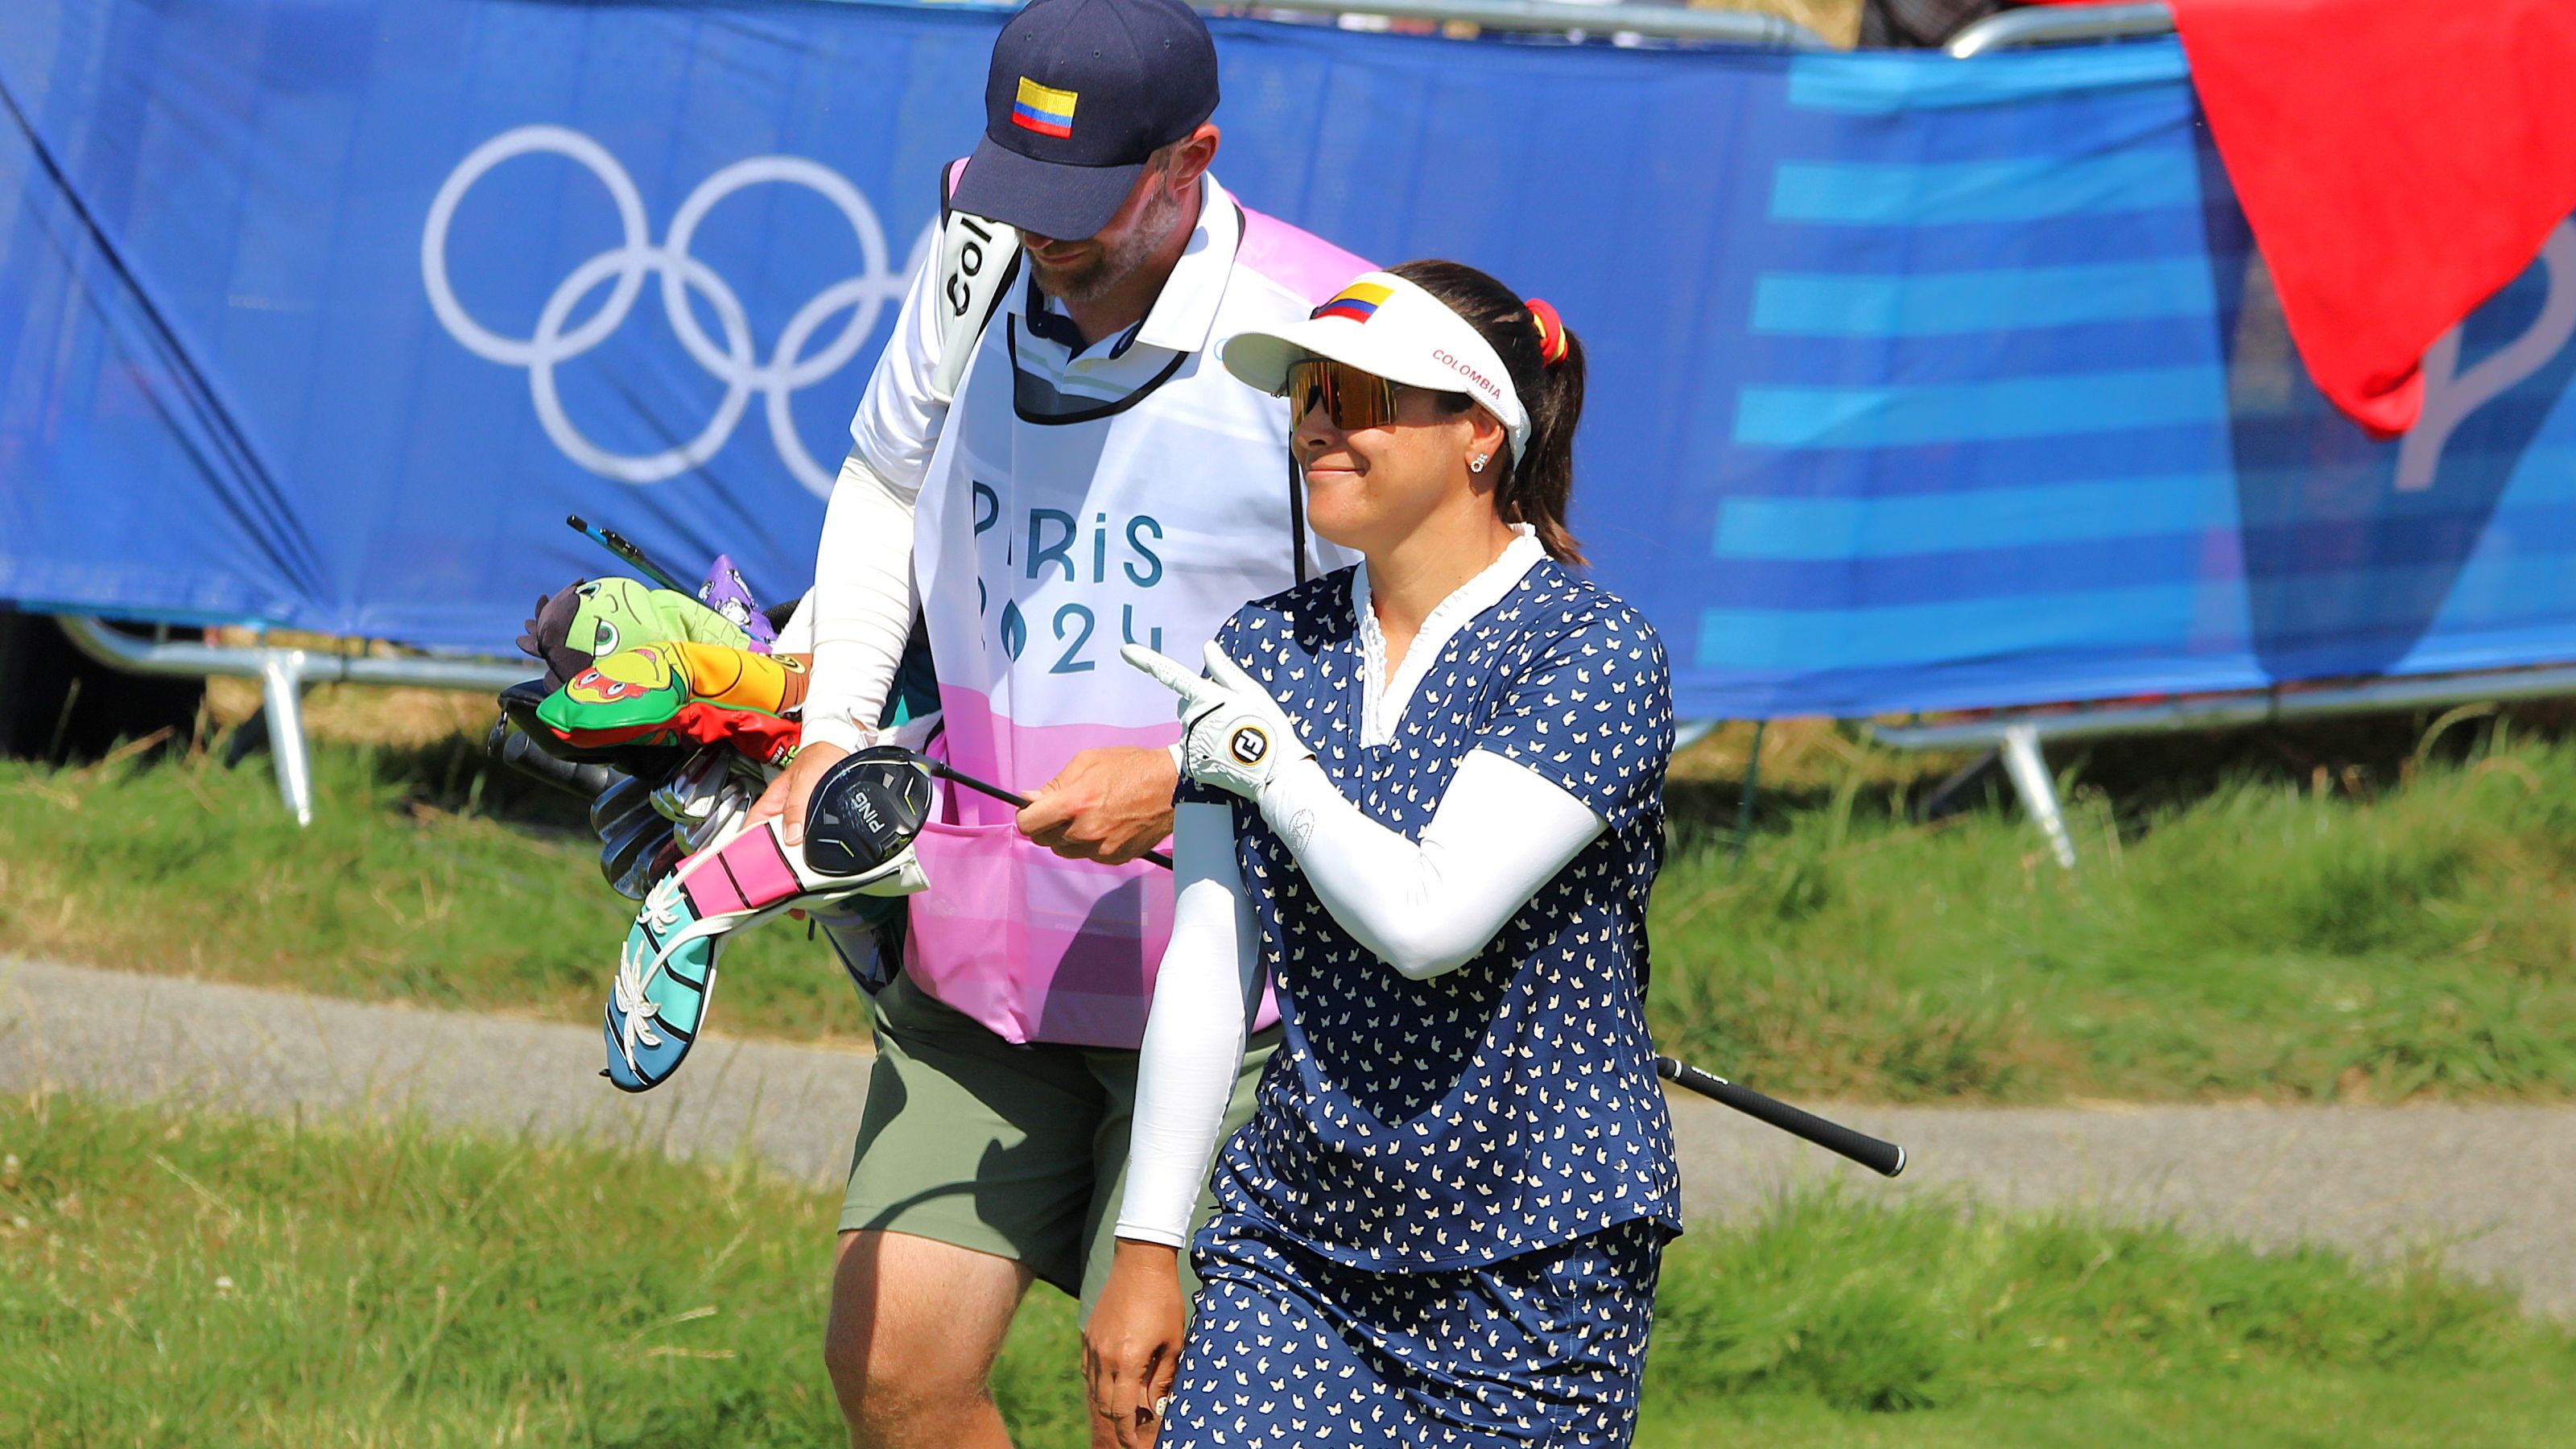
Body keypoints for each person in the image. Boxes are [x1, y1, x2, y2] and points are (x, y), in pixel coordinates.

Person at [744, 1, 1366, 1444]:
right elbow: (884, 478)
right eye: (1019, 197)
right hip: (984, 944)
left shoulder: (1321, 336)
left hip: (1235, 974)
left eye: (1079, 207)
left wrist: (1187, 770)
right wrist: (832, 730)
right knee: (897, 1378)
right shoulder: (983, 238)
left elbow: (1416, 639)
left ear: (1189, 159)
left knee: (1143, 1414)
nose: (1038, 241)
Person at [1083, 262, 1682, 1448]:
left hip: (1538, 1260)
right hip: (1295, 1244)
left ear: (1478, 433)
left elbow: (1428, 921)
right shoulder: (1261, 647)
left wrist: (1273, 769)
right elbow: (1209, 961)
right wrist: (1149, 1244)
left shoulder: (1595, 652)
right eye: (1309, 392)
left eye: (1362, 395)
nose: (1317, 421)